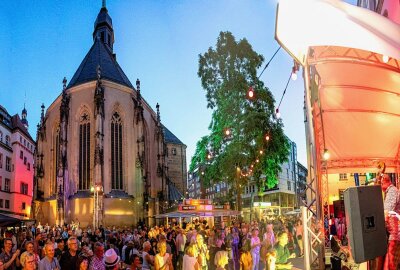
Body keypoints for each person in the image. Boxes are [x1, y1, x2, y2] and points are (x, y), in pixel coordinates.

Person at [381, 174, 400, 270]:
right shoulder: (392, 191)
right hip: (395, 234)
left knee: (390, 266)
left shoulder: (392, 191)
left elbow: (386, 212)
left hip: (396, 235)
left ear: (385, 182)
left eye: (380, 183)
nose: (380, 187)